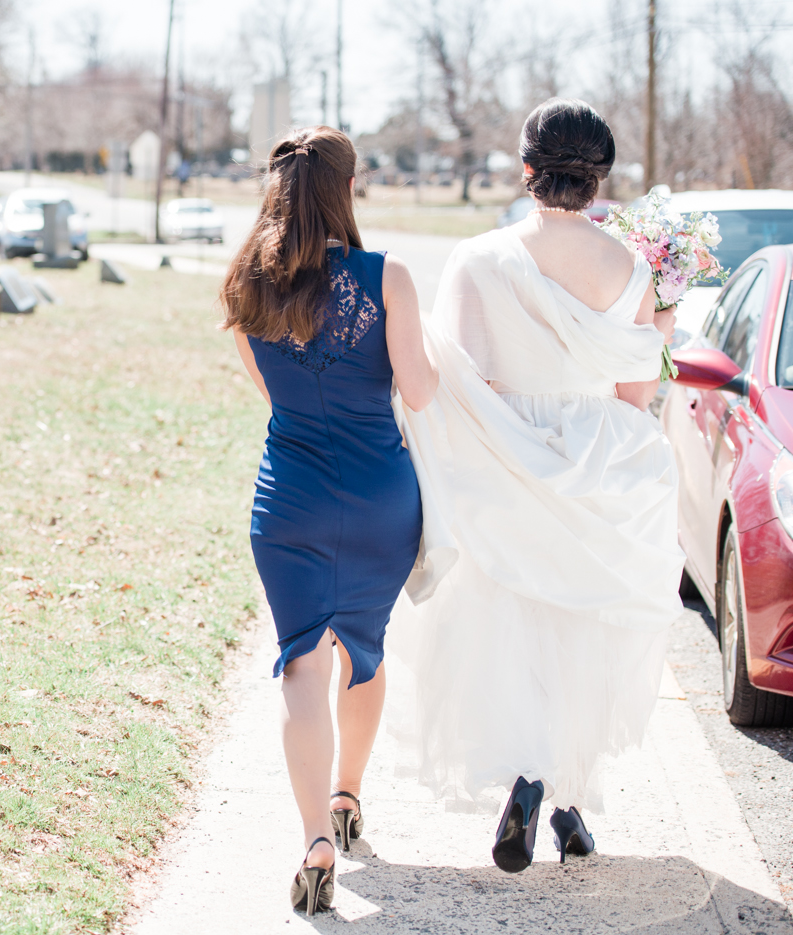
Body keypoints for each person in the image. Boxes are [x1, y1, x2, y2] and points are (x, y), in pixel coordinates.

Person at [390, 99, 683, 873]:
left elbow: (466, 376)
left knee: (510, 628)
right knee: (580, 634)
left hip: (509, 457)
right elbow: (633, 396)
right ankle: (569, 803)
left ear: (527, 169)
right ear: (601, 179)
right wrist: (664, 331)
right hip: (600, 458)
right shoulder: (636, 268)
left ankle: (529, 787)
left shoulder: (480, 258)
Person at [221, 126, 437, 916]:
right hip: (381, 497)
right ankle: (348, 796)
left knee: (302, 664)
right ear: (347, 190)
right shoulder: (388, 277)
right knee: (363, 654)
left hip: (289, 499)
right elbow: (419, 391)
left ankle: (314, 838)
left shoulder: (246, 281)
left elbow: (269, 392)